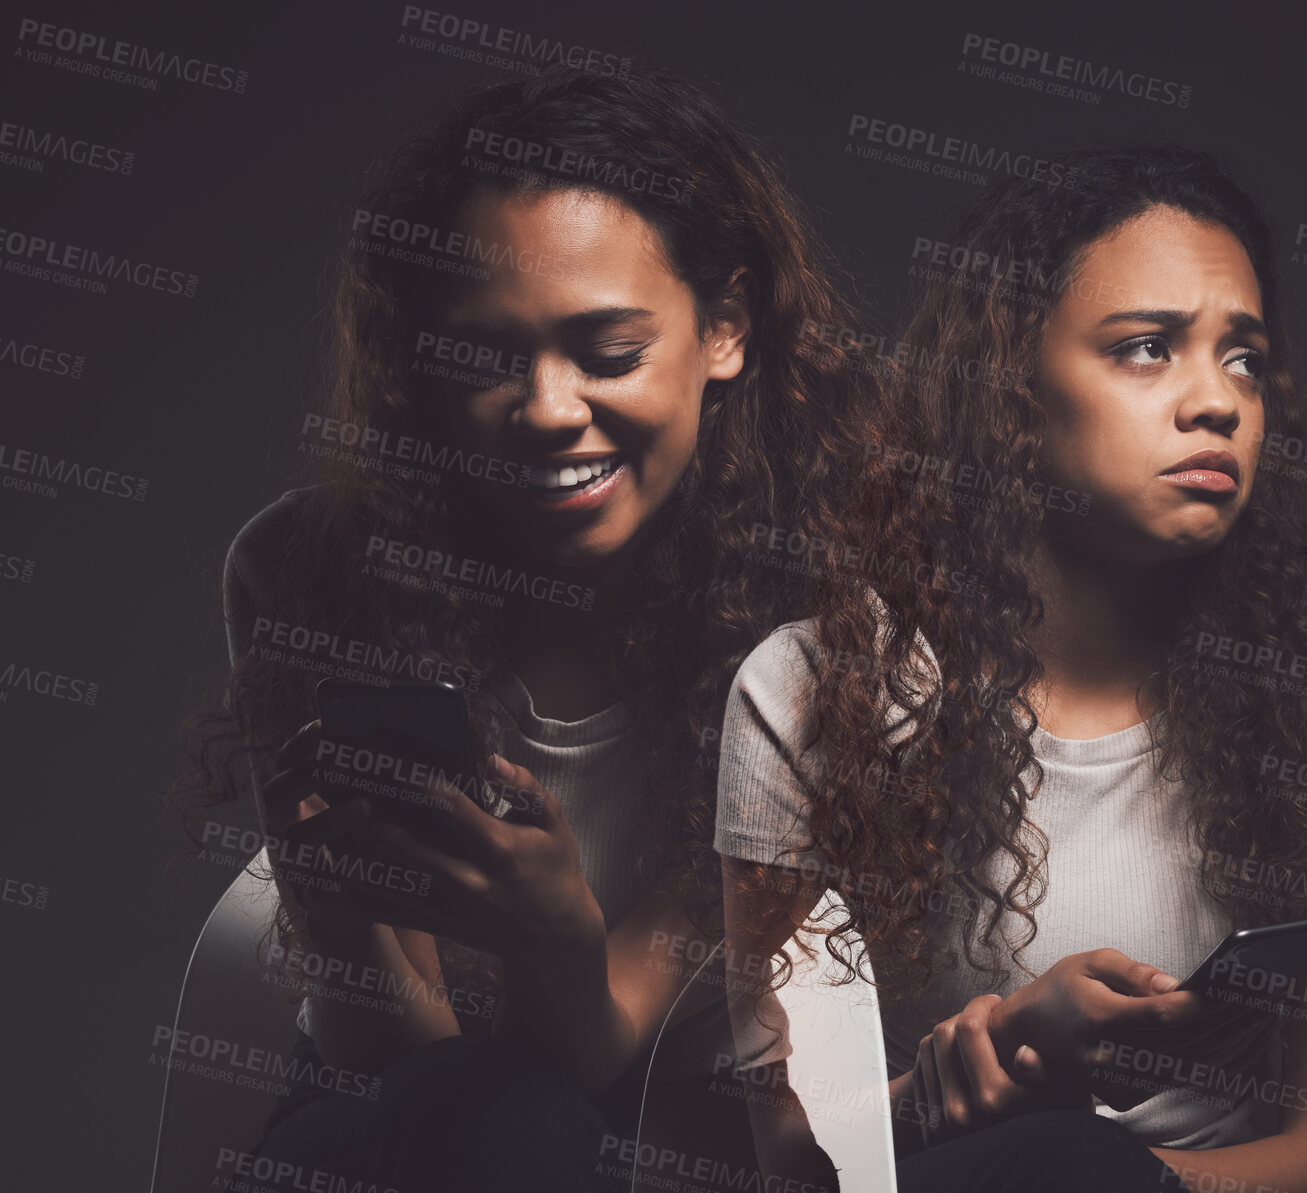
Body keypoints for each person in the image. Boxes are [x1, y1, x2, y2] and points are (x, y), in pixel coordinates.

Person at [713, 144, 1307, 1192]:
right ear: (1014, 393)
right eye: (1146, 349)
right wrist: (963, 1091)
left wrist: (1110, 1177)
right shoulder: (816, 690)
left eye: (1244, 359)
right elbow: (786, 1160)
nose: (1216, 400)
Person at [170, 61, 873, 1193]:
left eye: (607, 353)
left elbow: (602, 1049)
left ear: (726, 327)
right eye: (491, 360)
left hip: (673, 1126)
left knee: (525, 1122)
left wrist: (554, 937)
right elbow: (382, 1050)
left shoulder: (821, 638)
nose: (549, 411)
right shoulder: (305, 571)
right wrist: (339, 908)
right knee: (484, 1118)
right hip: (395, 1117)